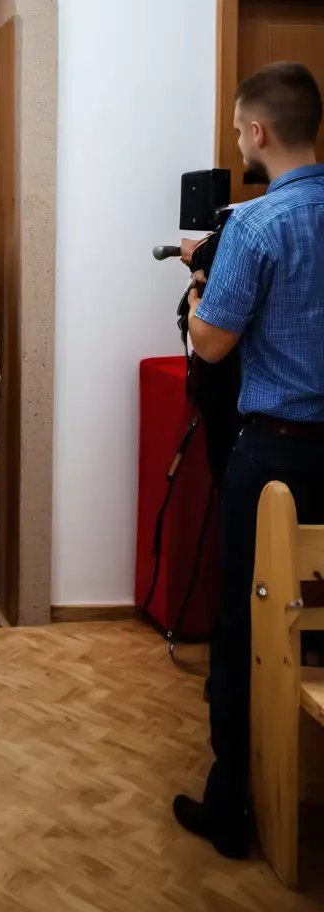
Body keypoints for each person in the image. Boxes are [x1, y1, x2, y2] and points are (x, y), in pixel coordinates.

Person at [174, 61, 324, 859]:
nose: (238, 142)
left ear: (258, 133)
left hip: (278, 455)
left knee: (245, 621)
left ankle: (234, 802)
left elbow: (212, 341)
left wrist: (200, 277)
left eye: (238, 130)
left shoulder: (258, 226)